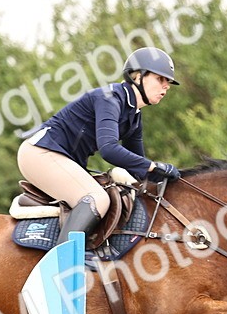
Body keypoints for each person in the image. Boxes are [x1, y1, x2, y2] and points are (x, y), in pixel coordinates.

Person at [17, 46, 182, 245]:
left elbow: (137, 168)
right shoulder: (110, 98)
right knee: (96, 198)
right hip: (40, 152)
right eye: (160, 79)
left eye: (169, 82)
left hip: (59, 158)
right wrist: (154, 166)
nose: (167, 86)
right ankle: (61, 264)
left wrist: (171, 178)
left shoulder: (134, 116)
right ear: (137, 76)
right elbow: (109, 149)